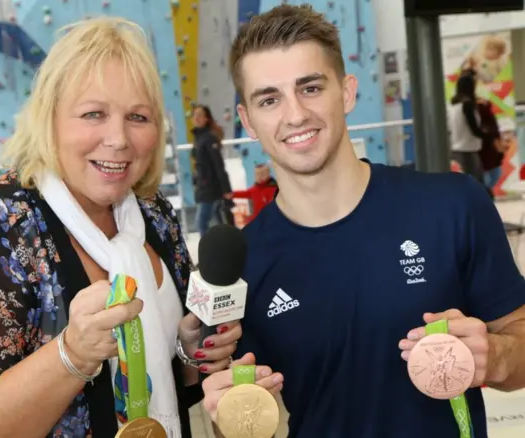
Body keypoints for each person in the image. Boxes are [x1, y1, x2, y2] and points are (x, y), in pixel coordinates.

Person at [201, 5, 525, 438]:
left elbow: (517, 342)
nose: (295, 114)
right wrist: (225, 413)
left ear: (347, 92)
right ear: (248, 122)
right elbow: (242, 420)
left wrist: (497, 357)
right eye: (269, 99)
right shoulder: (246, 263)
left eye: (311, 87)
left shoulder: (452, 205)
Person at [0, 17, 241, 438]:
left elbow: (170, 392)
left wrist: (189, 354)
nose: (119, 138)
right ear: (49, 119)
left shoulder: (153, 214)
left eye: (138, 116)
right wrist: (72, 355)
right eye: (93, 114)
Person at [190, 104, 233, 236]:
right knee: (218, 222)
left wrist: (226, 189)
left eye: (200, 115)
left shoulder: (209, 138)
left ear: (206, 119)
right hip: (204, 187)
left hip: (211, 188)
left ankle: (211, 253)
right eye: (194, 115)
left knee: (202, 223)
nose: (196, 118)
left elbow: (218, 165)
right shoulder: (199, 139)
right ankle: (223, 249)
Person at [448, 73, 492, 184]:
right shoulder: (467, 105)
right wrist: (489, 136)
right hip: (468, 151)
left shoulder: (452, 105)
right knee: (476, 184)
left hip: (455, 150)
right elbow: (474, 129)